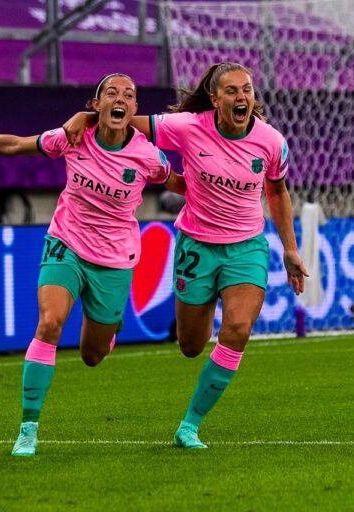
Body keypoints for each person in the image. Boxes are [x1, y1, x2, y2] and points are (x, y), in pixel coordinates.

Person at [0, 73, 184, 456]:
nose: (120, 98)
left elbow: (177, 182)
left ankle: (109, 325)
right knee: (49, 323)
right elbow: (15, 144)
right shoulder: (72, 137)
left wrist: (223, 185)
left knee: (93, 356)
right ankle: (28, 429)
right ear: (96, 105)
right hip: (66, 243)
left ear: (135, 109)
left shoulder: (147, 156)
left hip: (113, 259)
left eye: (128, 95)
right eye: (111, 93)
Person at [64, 62, 308, 448]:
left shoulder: (271, 142)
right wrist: (84, 117)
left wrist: (290, 249)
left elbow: (277, 193)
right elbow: (123, 120)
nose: (241, 97)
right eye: (231, 90)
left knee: (238, 330)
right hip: (197, 244)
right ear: (215, 98)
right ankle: (113, 323)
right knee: (191, 345)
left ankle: (190, 426)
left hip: (247, 248)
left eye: (246, 89)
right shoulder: (187, 127)